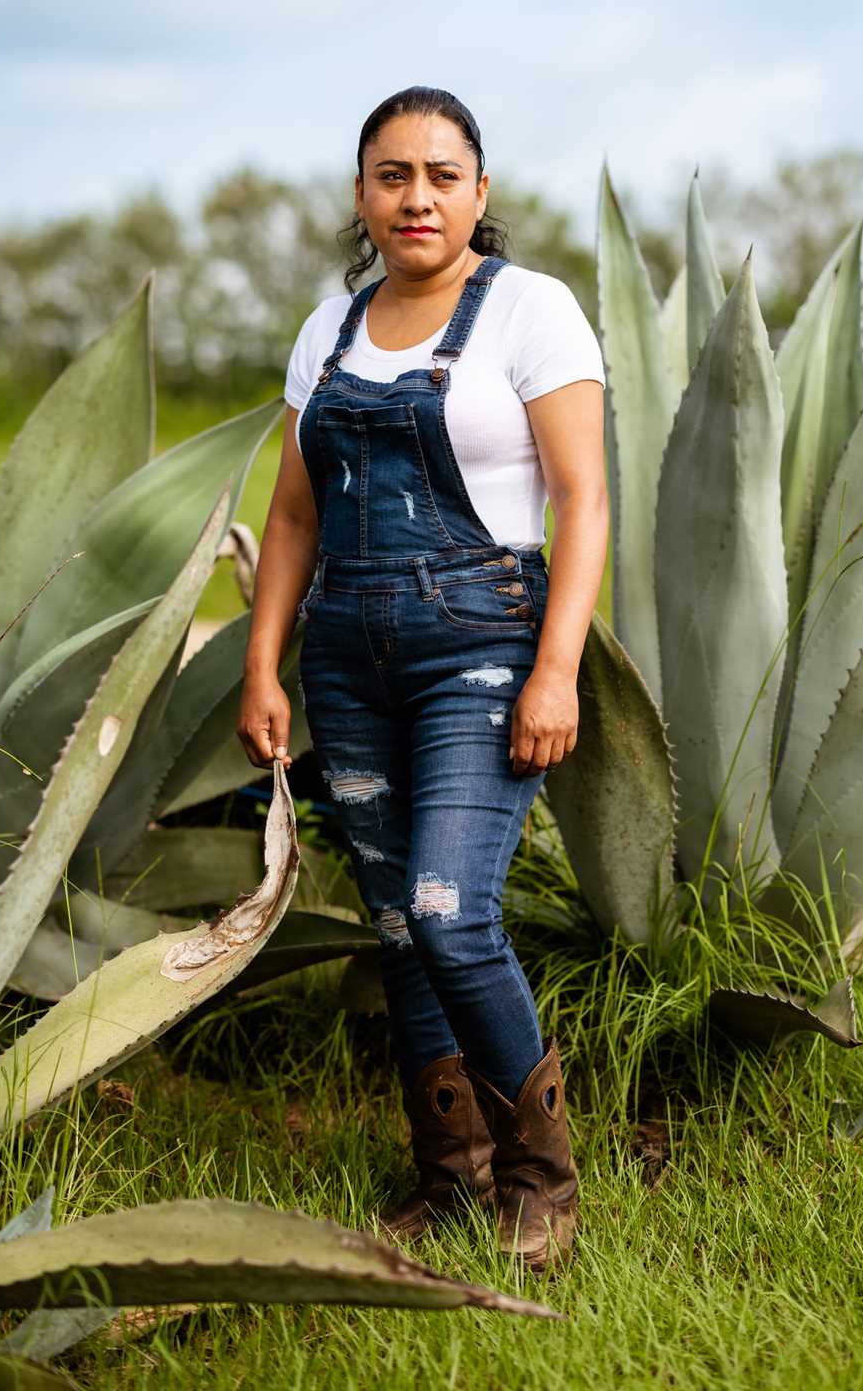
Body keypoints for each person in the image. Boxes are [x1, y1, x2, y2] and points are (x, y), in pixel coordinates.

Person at [236, 85, 608, 1271]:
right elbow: (293, 517)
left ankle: (541, 1181)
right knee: (398, 923)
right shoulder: (328, 332)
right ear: (362, 195)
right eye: (392, 175)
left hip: (481, 646)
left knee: (454, 910)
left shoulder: (530, 314)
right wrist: (262, 665)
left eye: (442, 175)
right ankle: (447, 1176)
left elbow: (583, 502)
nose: (417, 197)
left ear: (478, 195)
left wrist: (556, 669)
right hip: (346, 652)